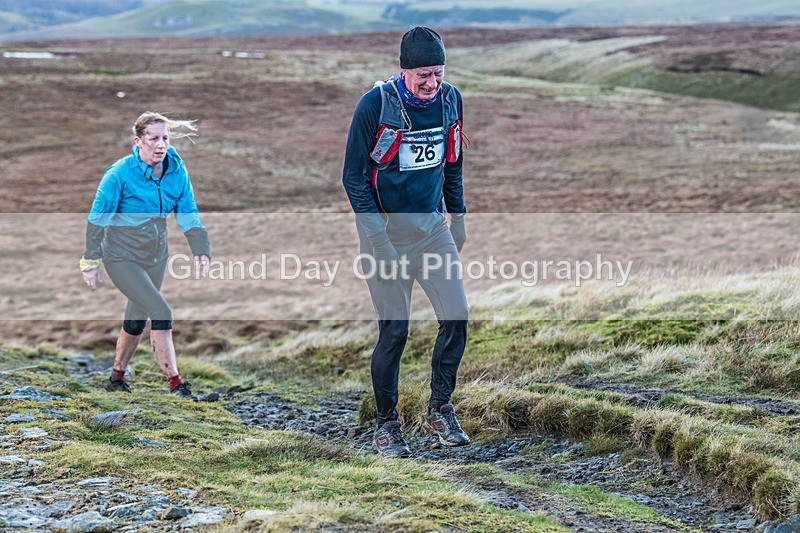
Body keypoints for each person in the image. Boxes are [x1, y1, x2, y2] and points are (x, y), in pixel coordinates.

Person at [343, 27, 471, 457]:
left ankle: (440, 409)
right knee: (395, 331)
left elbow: (452, 162)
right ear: (404, 72)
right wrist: (378, 241)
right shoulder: (374, 105)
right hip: (384, 236)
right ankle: (386, 426)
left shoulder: (451, 100)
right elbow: (353, 179)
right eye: (423, 76)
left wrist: (458, 217)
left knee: (456, 317)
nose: (432, 83)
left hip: (431, 231)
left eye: (438, 73)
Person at [80, 111, 211, 401]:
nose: (161, 144)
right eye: (153, 139)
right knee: (161, 312)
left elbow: (187, 211)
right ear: (138, 141)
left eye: (165, 138)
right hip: (121, 257)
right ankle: (176, 384)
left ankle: (116, 379)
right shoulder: (119, 173)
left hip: (156, 255)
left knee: (137, 317)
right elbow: (98, 218)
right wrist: (90, 261)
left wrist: (200, 248)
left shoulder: (177, 170)